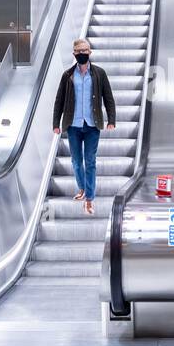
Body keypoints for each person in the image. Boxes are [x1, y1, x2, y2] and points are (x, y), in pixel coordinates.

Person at [52, 37, 116, 216]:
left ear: (90, 52)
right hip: (73, 125)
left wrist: (111, 119)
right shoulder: (67, 75)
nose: (82, 54)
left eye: (85, 51)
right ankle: (81, 187)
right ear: (74, 54)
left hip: (92, 124)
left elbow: (108, 98)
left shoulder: (99, 74)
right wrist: (56, 123)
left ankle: (89, 197)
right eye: (79, 52)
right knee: (75, 161)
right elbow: (59, 100)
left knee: (90, 161)